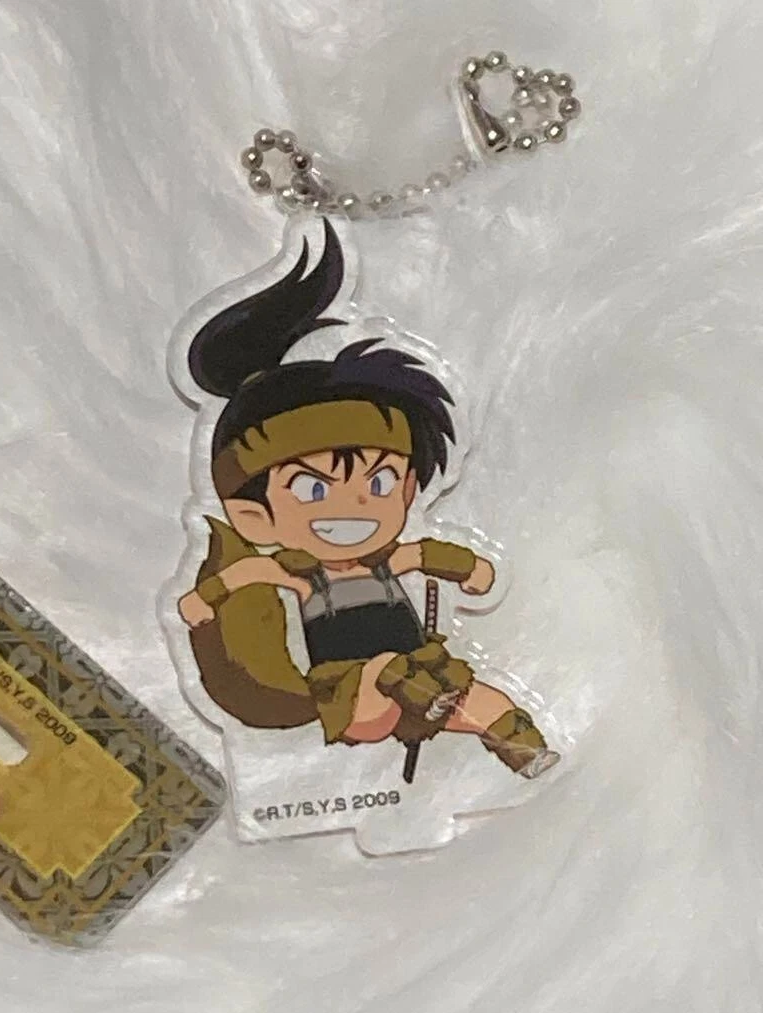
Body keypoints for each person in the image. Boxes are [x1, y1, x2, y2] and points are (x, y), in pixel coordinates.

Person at [176, 218, 558, 778]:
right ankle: (426, 700)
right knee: (386, 672)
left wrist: (472, 570)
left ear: (409, 490)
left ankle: (525, 753)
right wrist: (204, 600)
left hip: (424, 672)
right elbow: (244, 577)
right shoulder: (300, 575)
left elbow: (427, 555)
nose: (353, 506)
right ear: (255, 516)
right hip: (352, 693)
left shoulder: (389, 560)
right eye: (313, 488)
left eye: (379, 484)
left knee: (480, 698)